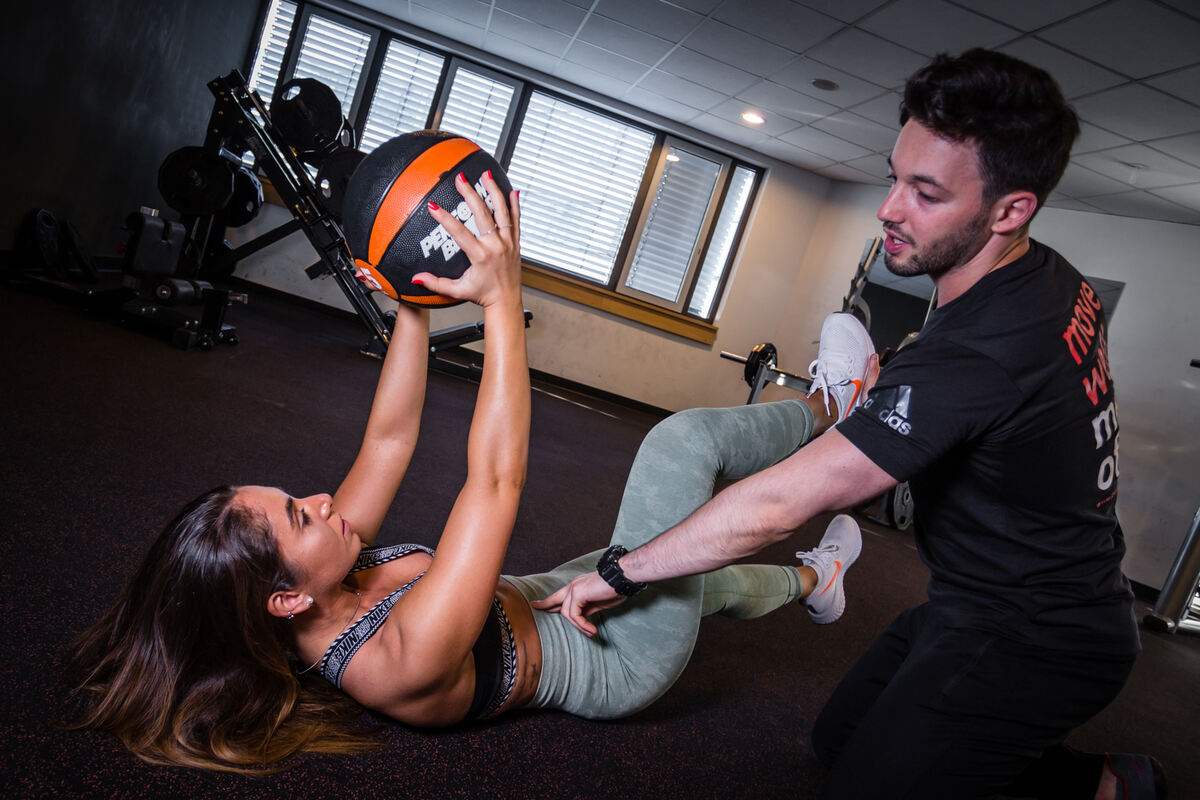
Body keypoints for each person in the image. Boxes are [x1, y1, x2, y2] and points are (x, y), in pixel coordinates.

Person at [63, 171, 863, 774]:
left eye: (295, 497)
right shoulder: (391, 662)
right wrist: (500, 301)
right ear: (286, 598)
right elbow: (494, 483)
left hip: (550, 592)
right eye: (298, 516)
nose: (320, 500)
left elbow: (389, 440)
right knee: (679, 447)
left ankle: (814, 581)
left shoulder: (322, 573)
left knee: (699, 572)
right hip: (611, 661)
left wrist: (408, 294)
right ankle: (836, 408)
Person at [539, 49, 1165, 800]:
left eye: (925, 193)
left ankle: (1110, 785)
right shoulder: (1048, 276)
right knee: (838, 741)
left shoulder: (977, 353)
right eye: (895, 177)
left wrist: (620, 572)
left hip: (1037, 635)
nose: (889, 208)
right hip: (986, 597)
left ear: (1010, 210)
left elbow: (777, 507)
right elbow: (994, 403)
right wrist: (901, 394)